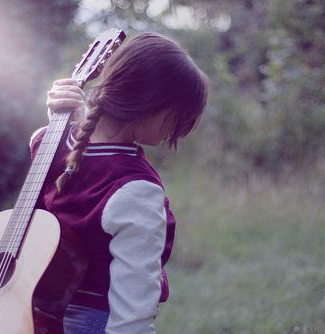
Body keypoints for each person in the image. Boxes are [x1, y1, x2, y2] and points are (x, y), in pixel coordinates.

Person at [30, 32, 209, 334]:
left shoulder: (46, 142)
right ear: (153, 105)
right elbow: (133, 312)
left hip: (29, 314)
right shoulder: (136, 188)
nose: (177, 131)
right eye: (178, 117)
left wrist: (60, 119)